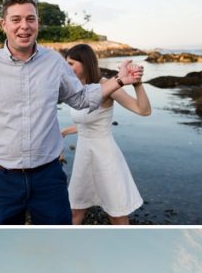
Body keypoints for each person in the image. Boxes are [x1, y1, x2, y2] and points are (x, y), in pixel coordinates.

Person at [0, 0, 142, 224]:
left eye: (30, 19)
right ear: (3, 24)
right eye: (16, 20)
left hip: (49, 178)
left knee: (57, 246)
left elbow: (81, 99)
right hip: (0, 180)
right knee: (2, 249)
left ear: (38, 23)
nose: (24, 26)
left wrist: (120, 80)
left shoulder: (54, 62)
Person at [60, 43, 151, 225]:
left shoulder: (106, 86)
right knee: (75, 211)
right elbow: (86, 123)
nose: (66, 68)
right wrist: (63, 132)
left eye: (70, 64)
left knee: (116, 214)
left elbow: (143, 110)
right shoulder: (75, 88)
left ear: (85, 64)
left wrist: (137, 84)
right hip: (84, 156)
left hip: (105, 155)